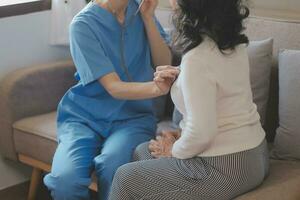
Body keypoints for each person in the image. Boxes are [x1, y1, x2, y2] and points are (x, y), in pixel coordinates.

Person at [109, 0, 270, 199]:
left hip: (226, 166)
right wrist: (181, 74)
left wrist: (173, 150)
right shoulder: (230, 43)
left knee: (125, 178)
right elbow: (219, 87)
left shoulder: (198, 57)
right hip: (255, 154)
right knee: (144, 151)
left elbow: (203, 132)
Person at [43, 0, 178, 199]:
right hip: (84, 118)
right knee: (65, 181)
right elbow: (114, 87)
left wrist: (148, 19)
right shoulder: (83, 25)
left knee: (113, 166)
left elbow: (164, 62)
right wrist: (157, 88)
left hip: (133, 118)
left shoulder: (139, 11)